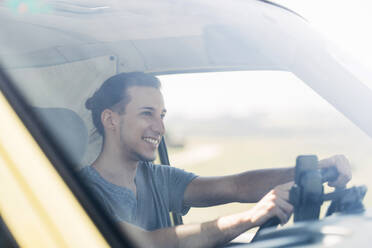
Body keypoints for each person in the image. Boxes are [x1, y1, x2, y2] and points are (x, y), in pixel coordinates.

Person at [81, 72, 352, 248]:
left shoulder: (157, 176)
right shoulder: (80, 191)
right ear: (111, 119)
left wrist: (311, 170)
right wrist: (251, 218)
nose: (160, 128)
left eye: (161, 115)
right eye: (146, 114)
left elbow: (236, 186)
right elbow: (145, 243)